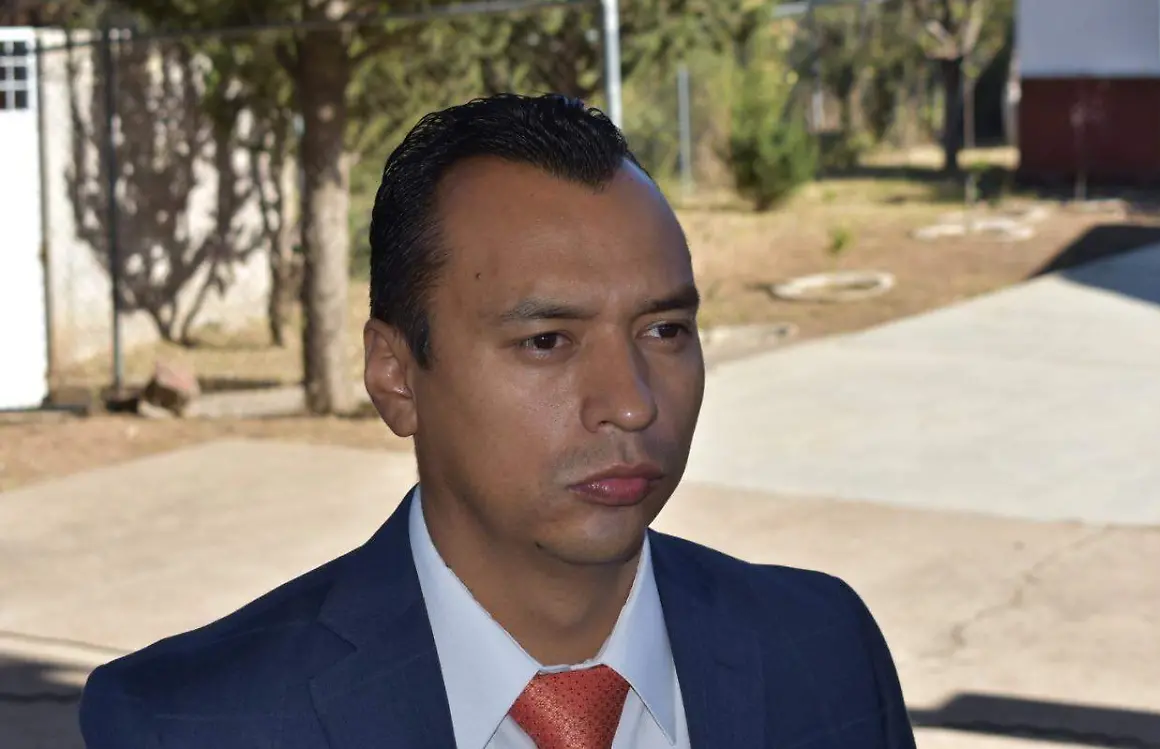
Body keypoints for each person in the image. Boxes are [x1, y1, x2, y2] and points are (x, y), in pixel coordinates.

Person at [78, 93, 916, 749]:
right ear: (395, 375)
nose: (631, 402)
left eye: (664, 330)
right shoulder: (189, 722)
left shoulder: (822, 650)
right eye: (547, 340)